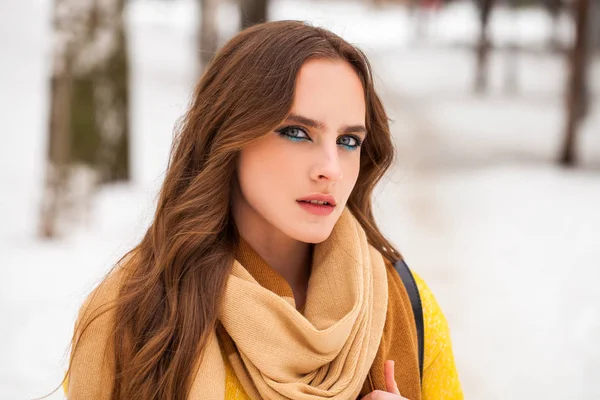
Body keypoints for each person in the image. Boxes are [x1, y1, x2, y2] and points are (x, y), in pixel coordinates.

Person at [64, 20, 463, 400]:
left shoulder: (407, 303)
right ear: (229, 136)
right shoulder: (134, 313)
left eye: (348, 141)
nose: (330, 168)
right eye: (296, 132)